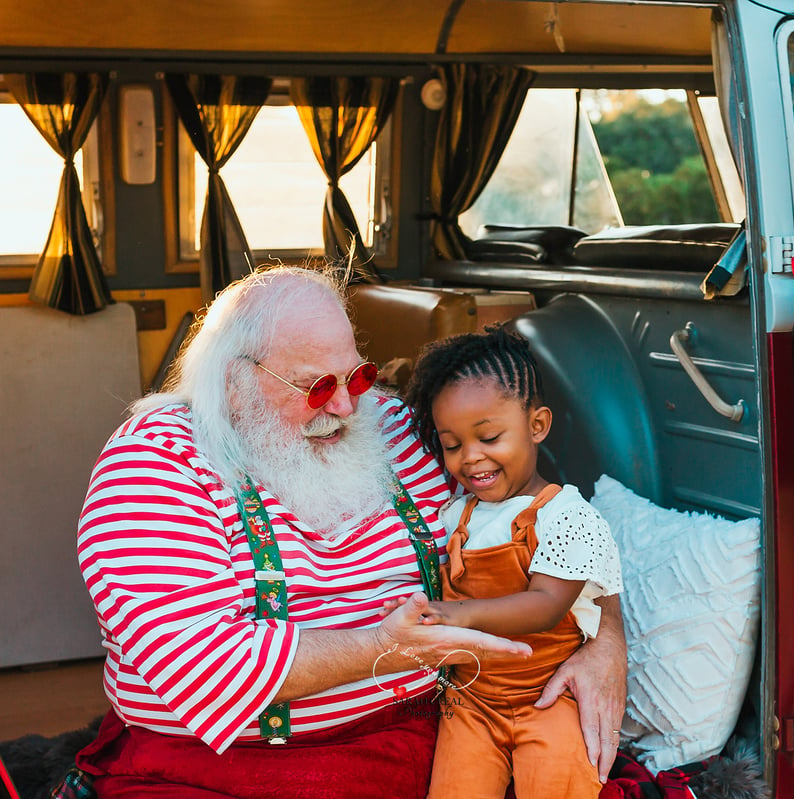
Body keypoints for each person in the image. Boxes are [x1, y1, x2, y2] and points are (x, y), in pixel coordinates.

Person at [72, 265, 627, 798]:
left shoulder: (396, 423)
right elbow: (202, 665)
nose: (344, 405)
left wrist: (607, 641)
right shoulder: (153, 463)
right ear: (235, 384)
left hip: (439, 732)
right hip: (228, 767)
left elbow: (551, 521)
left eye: (356, 375)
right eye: (315, 386)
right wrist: (383, 646)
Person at [402, 326, 623, 799]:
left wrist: (451, 614)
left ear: (537, 426)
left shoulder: (567, 514)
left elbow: (545, 605)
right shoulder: (455, 515)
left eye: (489, 437)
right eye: (452, 444)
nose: (470, 458)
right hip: (471, 703)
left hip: (548, 697)